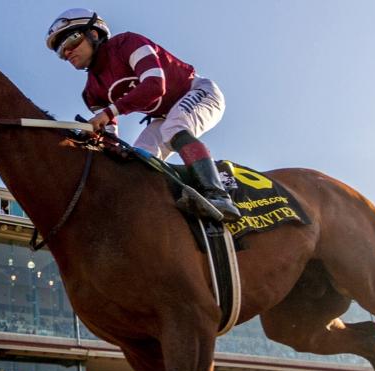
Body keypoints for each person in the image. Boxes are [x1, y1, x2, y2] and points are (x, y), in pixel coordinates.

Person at [46, 8, 240, 223]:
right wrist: (101, 142)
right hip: (164, 116)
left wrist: (109, 112)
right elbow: (111, 138)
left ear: (94, 33)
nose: (67, 52)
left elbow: (155, 86)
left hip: (198, 91)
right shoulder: (91, 93)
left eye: (72, 41)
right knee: (138, 158)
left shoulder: (128, 43)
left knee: (174, 127)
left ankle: (218, 195)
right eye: (61, 51)